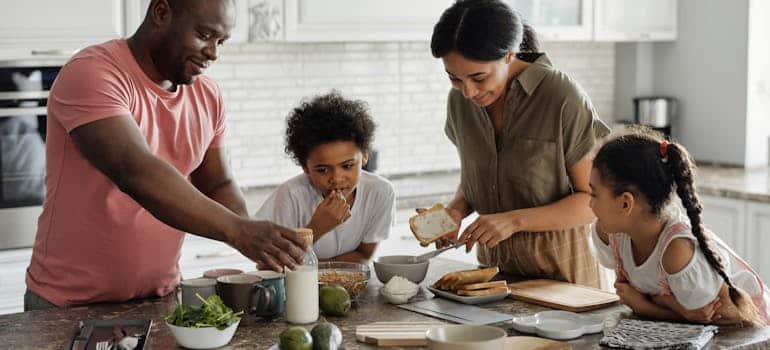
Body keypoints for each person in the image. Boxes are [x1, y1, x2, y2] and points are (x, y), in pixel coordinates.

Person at [24, 0, 306, 310]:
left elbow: (217, 183)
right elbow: (135, 171)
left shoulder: (207, 95)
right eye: (204, 35)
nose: (213, 52)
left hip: (161, 300)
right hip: (69, 304)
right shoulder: (92, 72)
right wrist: (238, 231)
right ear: (161, 12)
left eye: (220, 41)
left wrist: (260, 242)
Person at [427, 0, 610, 287]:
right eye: (454, 78)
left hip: (564, 280)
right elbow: (479, 177)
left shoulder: (560, 96)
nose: (468, 91)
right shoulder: (459, 102)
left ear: (509, 55)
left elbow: (594, 201)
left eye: (478, 77)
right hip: (493, 279)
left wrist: (514, 221)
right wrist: (456, 211)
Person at [590, 128, 769, 326]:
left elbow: (720, 317)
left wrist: (647, 307)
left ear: (625, 203)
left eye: (594, 194)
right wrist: (668, 305)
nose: (590, 204)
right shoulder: (612, 233)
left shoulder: (677, 251)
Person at [255, 92, 395, 263]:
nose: (336, 178)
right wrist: (316, 228)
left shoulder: (380, 192)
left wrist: (323, 273)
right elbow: (268, 265)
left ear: (365, 156)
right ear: (305, 167)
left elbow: (364, 255)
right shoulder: (290, 196)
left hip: (344, 286)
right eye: (322, 170)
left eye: (347, 166)